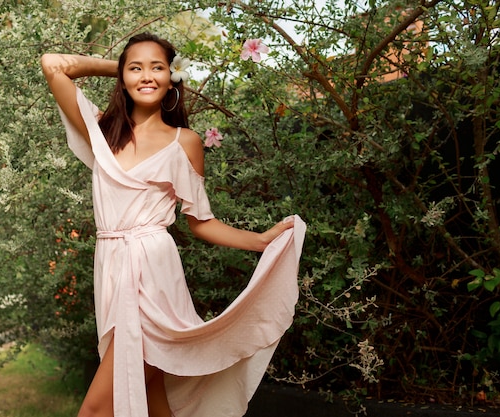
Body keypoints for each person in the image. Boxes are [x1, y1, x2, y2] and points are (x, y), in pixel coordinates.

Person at [41, 32, 306, 417]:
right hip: (111, 268)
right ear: (123, 77)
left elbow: (202, 222)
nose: (146, 76)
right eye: (136, 68)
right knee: (151, 395)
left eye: (157, 68)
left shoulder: (185, 142)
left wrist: (260, 241)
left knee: (97, 409)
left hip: (152, 273)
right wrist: (118, 68)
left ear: (171, 78)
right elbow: (54, 64)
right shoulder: (103, 131)